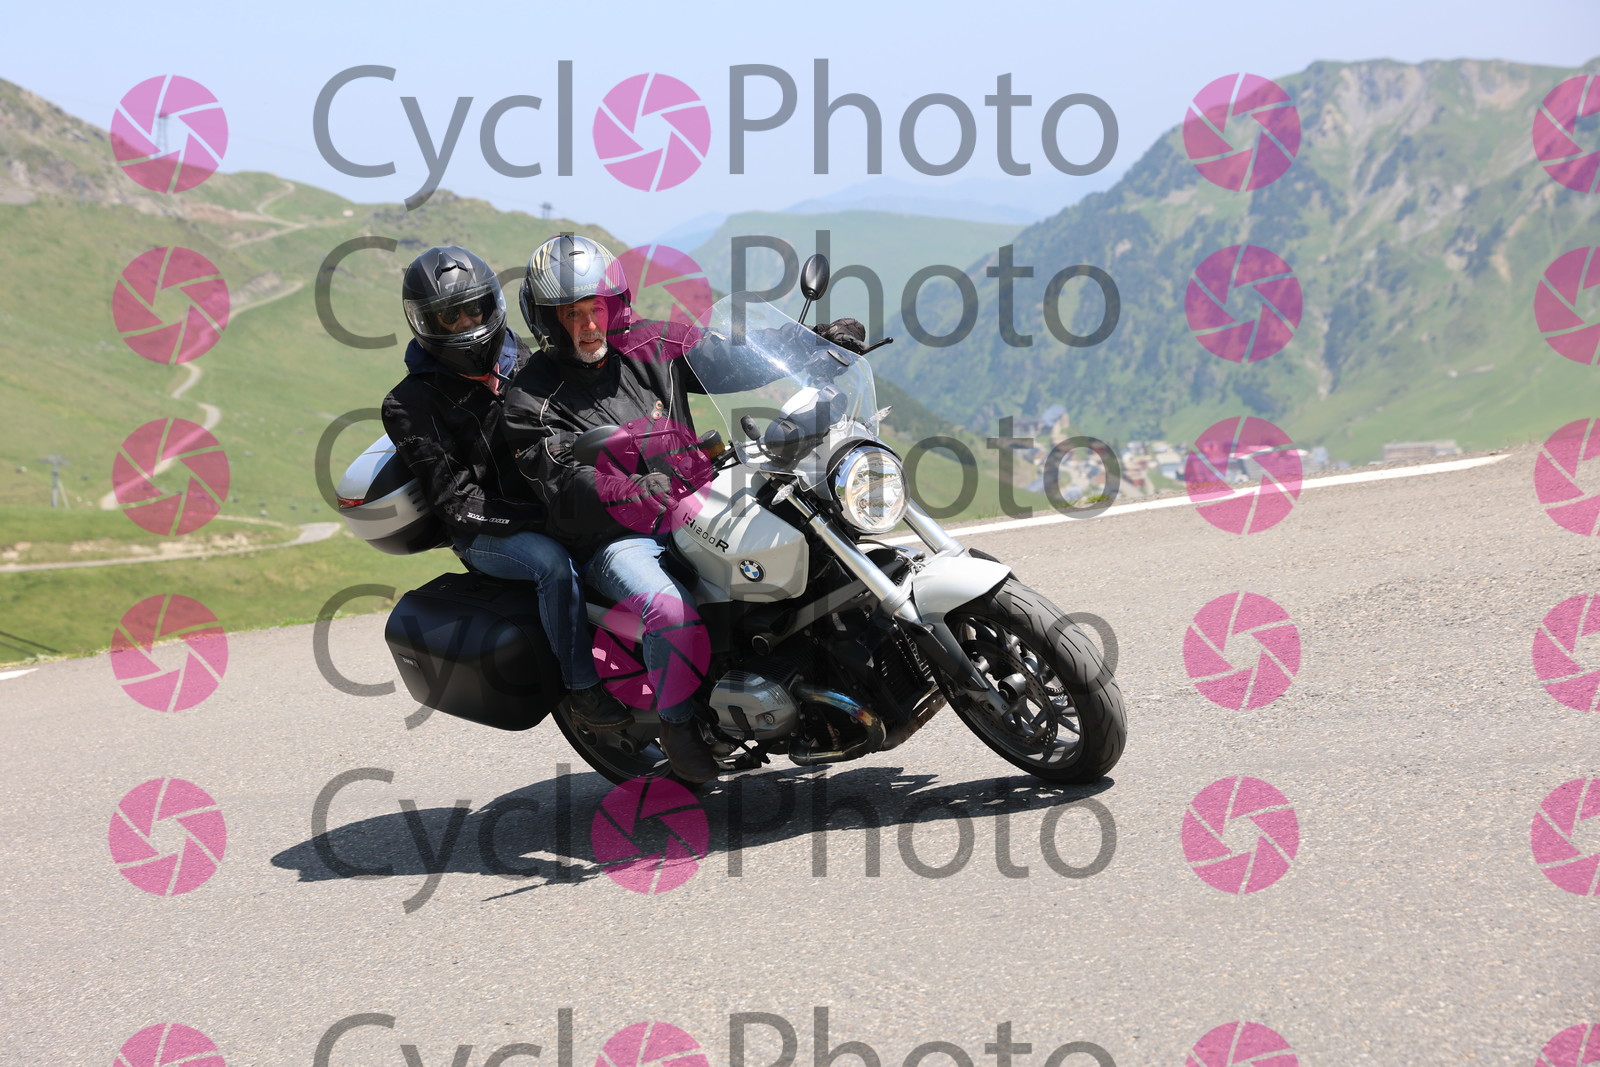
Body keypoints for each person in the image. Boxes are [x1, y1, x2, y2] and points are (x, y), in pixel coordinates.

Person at [381, 245, 630, 733]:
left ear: (491, 304)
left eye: (473, 308)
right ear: (425, 322)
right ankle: (583, 691)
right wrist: (544, 520)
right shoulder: (408, 403)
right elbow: (454, 501)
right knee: (551, 564)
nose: (466, 323)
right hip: (482, 529)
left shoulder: (530, 363)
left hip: (552, 502)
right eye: (449, 316)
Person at [500, 234, 721, 782]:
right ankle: (677, 726)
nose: (589, 326)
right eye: (571, 314)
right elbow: (558, 474)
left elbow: (723, 357)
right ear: (548, 321)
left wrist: (818, 343)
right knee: (668, 611)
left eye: (596, 308)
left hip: (696, 502)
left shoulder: (650, 344)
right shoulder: (529, 398)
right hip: (616, 538)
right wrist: (627, 489)